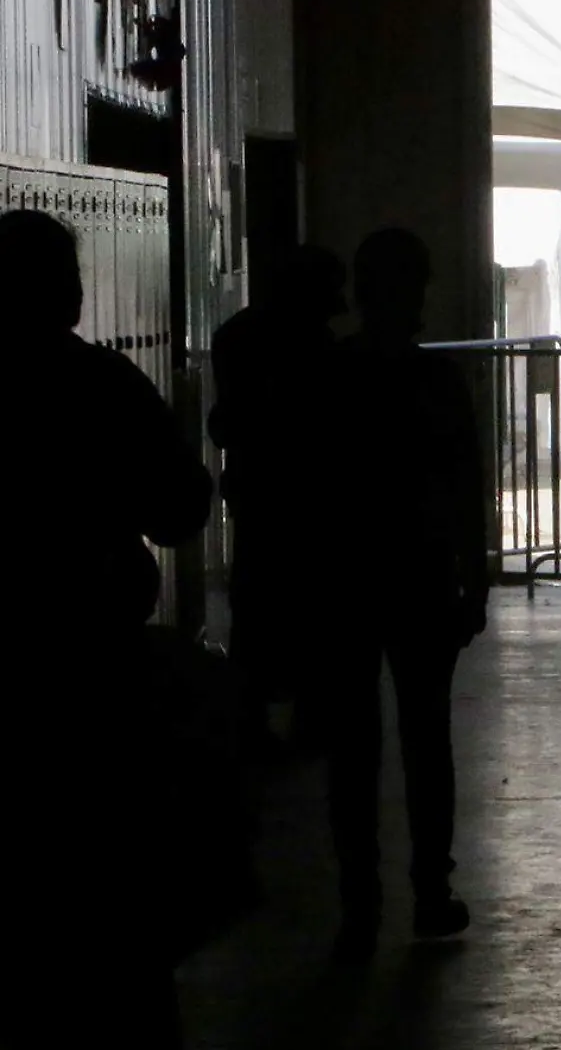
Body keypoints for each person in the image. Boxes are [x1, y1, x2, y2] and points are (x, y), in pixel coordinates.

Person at [2, 209, 213, 1048]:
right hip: (93, 669)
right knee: (114, 891)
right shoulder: (104, 385)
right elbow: (178, 509)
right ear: (70, 292)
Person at [327, 229, 488, 961]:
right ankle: (430, 889)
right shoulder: (435, 382)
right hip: (421, 576)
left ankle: (360, 902)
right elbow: (465, 489)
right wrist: (473, 580)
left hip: (348, 578)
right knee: (427, 740)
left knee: (351, 748)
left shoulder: (330, 375)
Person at [208, 244, 347, 753]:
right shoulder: (318, 347)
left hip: (261, 496)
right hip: (303, 500)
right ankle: (304, 721)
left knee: (259, 611)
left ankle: (254, 720)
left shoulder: (237, 337)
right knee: (311, 614)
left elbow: (225, 422)